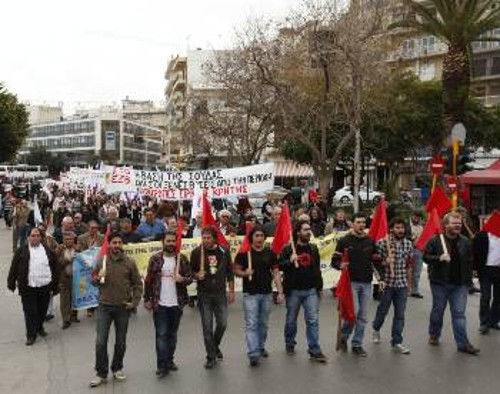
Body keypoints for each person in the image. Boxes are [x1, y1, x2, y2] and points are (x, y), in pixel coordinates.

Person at [89, 232, 143, 387]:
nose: (117, 245)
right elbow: (93, 281)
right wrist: (97, 278)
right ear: (110, 245)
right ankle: (101, 373)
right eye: (114, 242)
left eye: (120, 242)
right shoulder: (102, 261)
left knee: (120, 342)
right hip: (104, 307)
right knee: (100, 342)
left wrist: (134, 302)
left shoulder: (130, 263)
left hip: (122, 308)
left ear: (122, 245)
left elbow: (138, 284)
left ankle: (117, 368)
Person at [424, 212, 479, 355]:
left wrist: (470, 279)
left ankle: (463, 344)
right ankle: (434, 333)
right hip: (439, 283)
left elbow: (470, 260)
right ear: (446, 225)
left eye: (459, 223)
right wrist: (439, 258)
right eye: (455, 223)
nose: (458, 225)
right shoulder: (435, 240)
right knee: (438, 311)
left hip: (459, 284)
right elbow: (425, 257)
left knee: (459, 314)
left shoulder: (465, 242)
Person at [144, 231, 193, 378]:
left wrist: (182, 279)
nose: (171, 243)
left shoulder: (182, 259)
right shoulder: (155, 259)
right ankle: (162, 365)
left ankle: (169, 360)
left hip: (176, 303)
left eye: (173, 241)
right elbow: (149, 280)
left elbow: (190, 278)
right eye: (168, 241)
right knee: (161, 335)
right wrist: (147, 299)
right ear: (163, 242)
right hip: (160, 304)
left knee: (172, 335)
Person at [234, 226, 284, 366]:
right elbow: (236, 270)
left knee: (263, 324)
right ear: (252, 238)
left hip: (266, 294)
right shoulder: (245, 253)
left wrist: (280, 292)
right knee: (252, 324)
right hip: (250, 294)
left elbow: (275, 273)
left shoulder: (270, 253)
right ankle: (253, 353)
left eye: (262, 235)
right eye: (256, 235)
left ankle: (260, 346)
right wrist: (245, 273)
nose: (259, 238)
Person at [332, 213, 380, 357]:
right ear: (352, 224)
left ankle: (357, 344)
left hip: (366, 282)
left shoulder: (370, 241)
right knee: (354, 314)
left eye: (363, 222)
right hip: (350, 283)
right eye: (358, 222)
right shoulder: (344, 241)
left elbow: (376, 261)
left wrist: (381, 276)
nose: (361, 225)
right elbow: (334, 261)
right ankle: (344, 336)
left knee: (363, 316)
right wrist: (341, 265)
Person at [280, 220, 327, 363]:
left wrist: (319, 288)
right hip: (293, 291)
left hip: (311, 290)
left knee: (312, 321)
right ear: (298, 232)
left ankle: (314, 350)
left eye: (309, 229)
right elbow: (280, 265)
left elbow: (317, 269)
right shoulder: (288, 249)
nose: (309, 232)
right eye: (306, 230)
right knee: (291, 320)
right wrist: (290, 260)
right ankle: (290, 343)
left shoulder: (313, 248)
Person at [190, 226, 235, 369]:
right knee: (207, 327)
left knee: (222, 324)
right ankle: (210, 356)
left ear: (214, 238)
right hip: (204, 295)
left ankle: (215, 346)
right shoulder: (197, 252)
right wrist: (197, 275)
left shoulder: (223, 251)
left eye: (209, 237)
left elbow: (229, 271)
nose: (206, 240)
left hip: (220, 293)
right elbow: (190, 271)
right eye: (204, 237)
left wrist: (231, 290)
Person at [7, 227, 59, 345]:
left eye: (37, 236)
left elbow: (55, 268)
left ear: (41, 237)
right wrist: (11, 283)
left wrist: (55, 286)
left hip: (44, 286)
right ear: (28, 237)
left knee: (42, 310)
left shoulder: (48, 251)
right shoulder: (21, 251)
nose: (35, 238)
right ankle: (31, 334)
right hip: (28, 287)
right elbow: (14, 267)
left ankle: (39, 327)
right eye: (33, 235)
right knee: (30, 311)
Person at [372, 218, 414, 354]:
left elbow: (409, 266)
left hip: (401, 284)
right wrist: (385, 261)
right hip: (387, 284)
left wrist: (410, 285)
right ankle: (376, 329)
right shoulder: (383, 243)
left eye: (402, 228)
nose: (400, 230)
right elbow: (375, 263)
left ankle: (397, 341)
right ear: (391, 229)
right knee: (382, 311)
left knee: (400, 315)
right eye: (397, 227)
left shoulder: (408, 244)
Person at [473, 225, 500, 334]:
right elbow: (475, 252)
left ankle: (493, 321)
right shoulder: (482, 236)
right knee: (486, 296)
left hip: (499, 269)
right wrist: (474, 268)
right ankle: (484, 323)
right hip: (485, 270)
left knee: (498, 298)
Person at [58, 231, 79, 329]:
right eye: (66, 239)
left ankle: (74, 316)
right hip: (64, 278)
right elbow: (56, 263)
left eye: (70, 239)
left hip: (76, 278)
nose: (69, 241)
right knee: (65, 300)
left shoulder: (78, 249)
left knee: (75, 297)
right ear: (63, 240)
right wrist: (66, 261)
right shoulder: (59, 249)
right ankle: (66, 320)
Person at [409, 210, 424, 298]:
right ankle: (406, 289)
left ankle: (415, 290)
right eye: (415, 217)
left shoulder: (421, 227)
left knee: (417, 271)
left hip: (418, 250)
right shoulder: (407, 226)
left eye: (418, 217)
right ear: (412, 216)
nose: (416, 219)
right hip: (408, 250)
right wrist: (413, 238)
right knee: (407, 270)